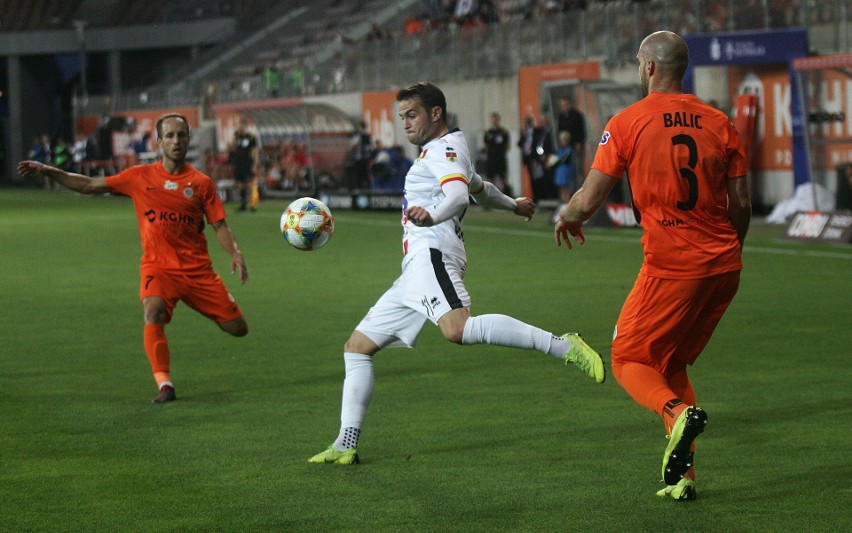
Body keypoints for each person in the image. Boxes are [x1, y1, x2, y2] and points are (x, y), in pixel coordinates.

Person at [309, 82, 604, 466]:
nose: (406, 125)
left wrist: (431, 216)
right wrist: (512, 205)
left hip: (431, 255)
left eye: (411, 115)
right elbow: (479, 190)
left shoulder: (443, 149)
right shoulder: (450, 150)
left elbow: (459, 196)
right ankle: (345, 443)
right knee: (357, 349)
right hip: (414, 269)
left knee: (457, 329)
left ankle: (562, 345)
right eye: (401, 118)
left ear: (436, 113)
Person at [554, 31, 751, 500]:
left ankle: (674, 414)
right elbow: (741, 203)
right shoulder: (720, 122)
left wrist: (567, 215)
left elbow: (590, 198)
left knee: (628, 358)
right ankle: (684, 478)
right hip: (724, 265)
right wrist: (728, 249)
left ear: (648, 68)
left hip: (672, 266)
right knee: (672, 362)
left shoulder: (627, 122)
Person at [18, 113, 250, 403]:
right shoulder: (140, 177)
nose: (176, 141)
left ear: (189, 139)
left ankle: (200, 305)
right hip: (158, 268)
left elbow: (220, 225)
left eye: (181, 135)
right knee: (153, 311)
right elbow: (90, 185)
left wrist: (235, 253)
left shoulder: (201, 184)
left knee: (238, 329)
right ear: (159, 141)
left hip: (197, 272)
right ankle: (165, 384)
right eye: (170, 136)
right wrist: (50, 171)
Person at [229, 118, 259, 212]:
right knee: (240, 184)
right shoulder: (237, 136)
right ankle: (243, 204)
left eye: (241, 125)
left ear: (245, 126)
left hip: (248, 163)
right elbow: (232, 147)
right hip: (239, 163)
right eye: (239, 125)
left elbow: (255, 151)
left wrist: (255, 163)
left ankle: (253, 205)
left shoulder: (251, 137)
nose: (240, 127)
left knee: (250, 183)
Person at [556, 97, 587, 186]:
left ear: (569, 104)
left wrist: (579, 142)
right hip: (566, 148)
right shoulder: (561, 117)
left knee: (578, 168)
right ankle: (570, 192)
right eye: (562, 105)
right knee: (568, 169)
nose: (564, 107)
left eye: (565, 105)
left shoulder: (577, 115)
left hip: (576, 146)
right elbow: (559, 131)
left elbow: (582, 131)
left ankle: (580, 189)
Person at [483, 112, 511, 195]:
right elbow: (485, 146)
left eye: (495, 120)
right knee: (490, 180)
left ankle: (508, 197)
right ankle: (490, 199)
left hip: (501, 158)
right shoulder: (488, 133)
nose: (494, 122)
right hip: (491, 159)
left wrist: (500, 152)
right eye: (492, 120)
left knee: (503, 179)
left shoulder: (503, 132)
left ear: (498, 121)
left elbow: (507, 145)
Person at [550, 130, 574, 223]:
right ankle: (563, 208)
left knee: (566, 190)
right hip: (559, 172)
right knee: (562, 190)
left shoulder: (568, 150)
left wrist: (552, 162)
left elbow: (562, 160)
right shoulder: (560, 149)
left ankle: (568, 209)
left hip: (565, 171)